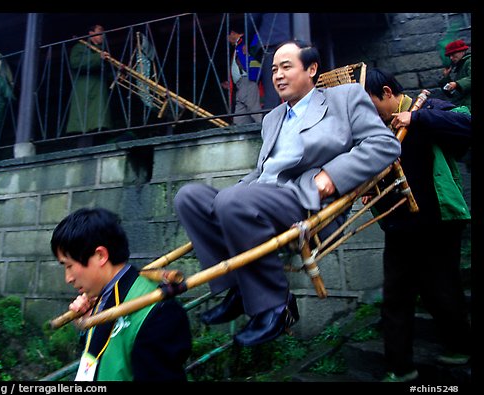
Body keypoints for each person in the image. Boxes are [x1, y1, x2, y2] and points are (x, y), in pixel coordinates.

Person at [173, 40, 401, 347]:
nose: (277, 75)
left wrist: (330, 177)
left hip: (307, 201)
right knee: (189, 197)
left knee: (231, 201)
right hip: (262, 197)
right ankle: (239, 288)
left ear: (311, 69)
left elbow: (384, 144)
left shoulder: (344, 98)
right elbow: (262, 171)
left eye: (286, 67)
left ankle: (277, 306)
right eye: (273, 69)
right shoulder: (272, 118)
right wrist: (236, 191)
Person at [364, 68, 472, 382]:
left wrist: (418, 120)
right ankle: (400, 367)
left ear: (386, 92)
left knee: (442, 288)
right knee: (395, 295)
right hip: (398, 225)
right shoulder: (375, 130)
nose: (364, 113)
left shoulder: (426, 108)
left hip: (437, 220)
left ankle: (460, 345)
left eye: (368, 103)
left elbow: (467, 124)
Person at [50, 207, 192, 381]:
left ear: (100, 256)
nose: (68, 278)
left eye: (69, 266)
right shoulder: (102, 298)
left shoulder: (159, 311)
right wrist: (88, 328)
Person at [66, 24, 114, 147]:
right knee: (86, 124)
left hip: (98, 92)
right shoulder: (80, 47)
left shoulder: (100, 50)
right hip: (86, 92)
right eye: (99, 32)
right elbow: (75, 62)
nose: (102, 36)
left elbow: (106, 73)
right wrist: (98, 57)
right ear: (91, 33)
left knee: (98, 124)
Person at [249, 13, 293, 110]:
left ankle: (273, 122)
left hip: (271, 43)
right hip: (292, 42)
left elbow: (252, 20)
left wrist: (248, 41)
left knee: (272, 90)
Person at [223, 26, 263, 125]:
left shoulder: (246, 40)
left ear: (232, 33)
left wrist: (253, 73)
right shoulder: (239, 45)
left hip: (247, 82)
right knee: (239, 120)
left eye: (227, 37)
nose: (227, 41)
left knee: (256, 113)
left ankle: (268, 134)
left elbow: (256, 57)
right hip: (240, 85)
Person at [438, 39, 471, 110]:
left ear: (462, 52)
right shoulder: (459, 68)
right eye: (450, 56)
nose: (451, 58)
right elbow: (452, 94)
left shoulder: (469, 61)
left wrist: (456, 84)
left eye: (453, 54)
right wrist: (446, 77)